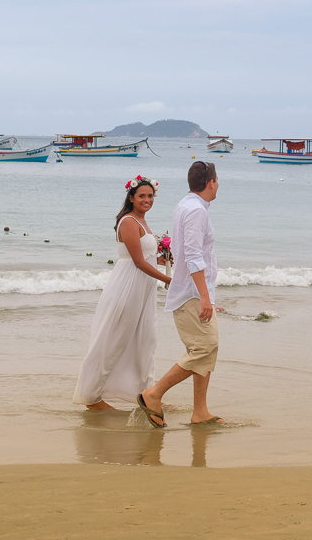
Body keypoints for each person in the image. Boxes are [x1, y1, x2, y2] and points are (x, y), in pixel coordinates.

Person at [137, 161, 225, 428]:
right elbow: (194, 256)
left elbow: (181, 251)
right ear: (210, 182)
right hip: (191, 293)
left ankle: (200, 411)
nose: (218, 184)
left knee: (204, 351)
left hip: (192, 291)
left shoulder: (185, 205)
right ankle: (153, 394)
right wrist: (205, 297)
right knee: (204, 348)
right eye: (217, 180)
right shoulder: (196, 210)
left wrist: (207, 294)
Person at [73, 176, 172, 410]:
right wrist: (170, 280)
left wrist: (163, 258)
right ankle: (91, 397)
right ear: (131, 198)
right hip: (128, 287)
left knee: (146, 339)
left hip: (143, 289)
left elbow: (145, 256)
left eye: (150, 196)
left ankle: (147, 394)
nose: (147, 200)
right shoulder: (128, 221)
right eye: (142, 196)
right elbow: (137, 262)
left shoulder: (143, 221)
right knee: (114, 340)